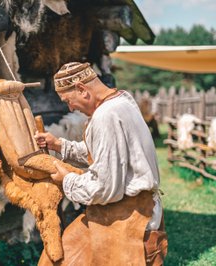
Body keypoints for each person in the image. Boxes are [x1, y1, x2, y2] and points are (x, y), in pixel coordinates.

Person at [35, 62, 168, 265]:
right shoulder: (122, 101)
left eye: (68, 101)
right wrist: (60, 145)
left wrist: (67, 180)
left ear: (82, 90)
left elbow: (104, 189)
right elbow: (109, 153)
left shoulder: (106, 116)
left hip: (130, 217)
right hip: (129, 209)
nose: (70, 108)